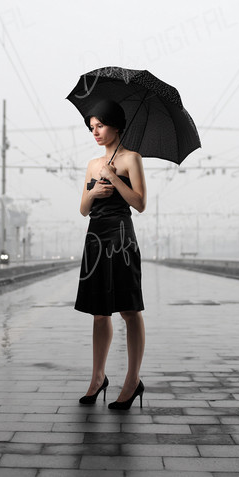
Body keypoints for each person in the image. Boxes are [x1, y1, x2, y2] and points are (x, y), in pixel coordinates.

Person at [75, 99, 146, 410]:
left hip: (121, 237)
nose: (95, 132)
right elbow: (82, 209)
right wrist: (93, 191)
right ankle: (97, 377)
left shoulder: (132, 158)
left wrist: (114, 178)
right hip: (95, 239)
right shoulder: (92, 164)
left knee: (129, 310)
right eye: (92, 128)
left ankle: (132, 381)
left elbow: (140, 204)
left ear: (116, 126)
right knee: (99, 313)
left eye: (100, 126)